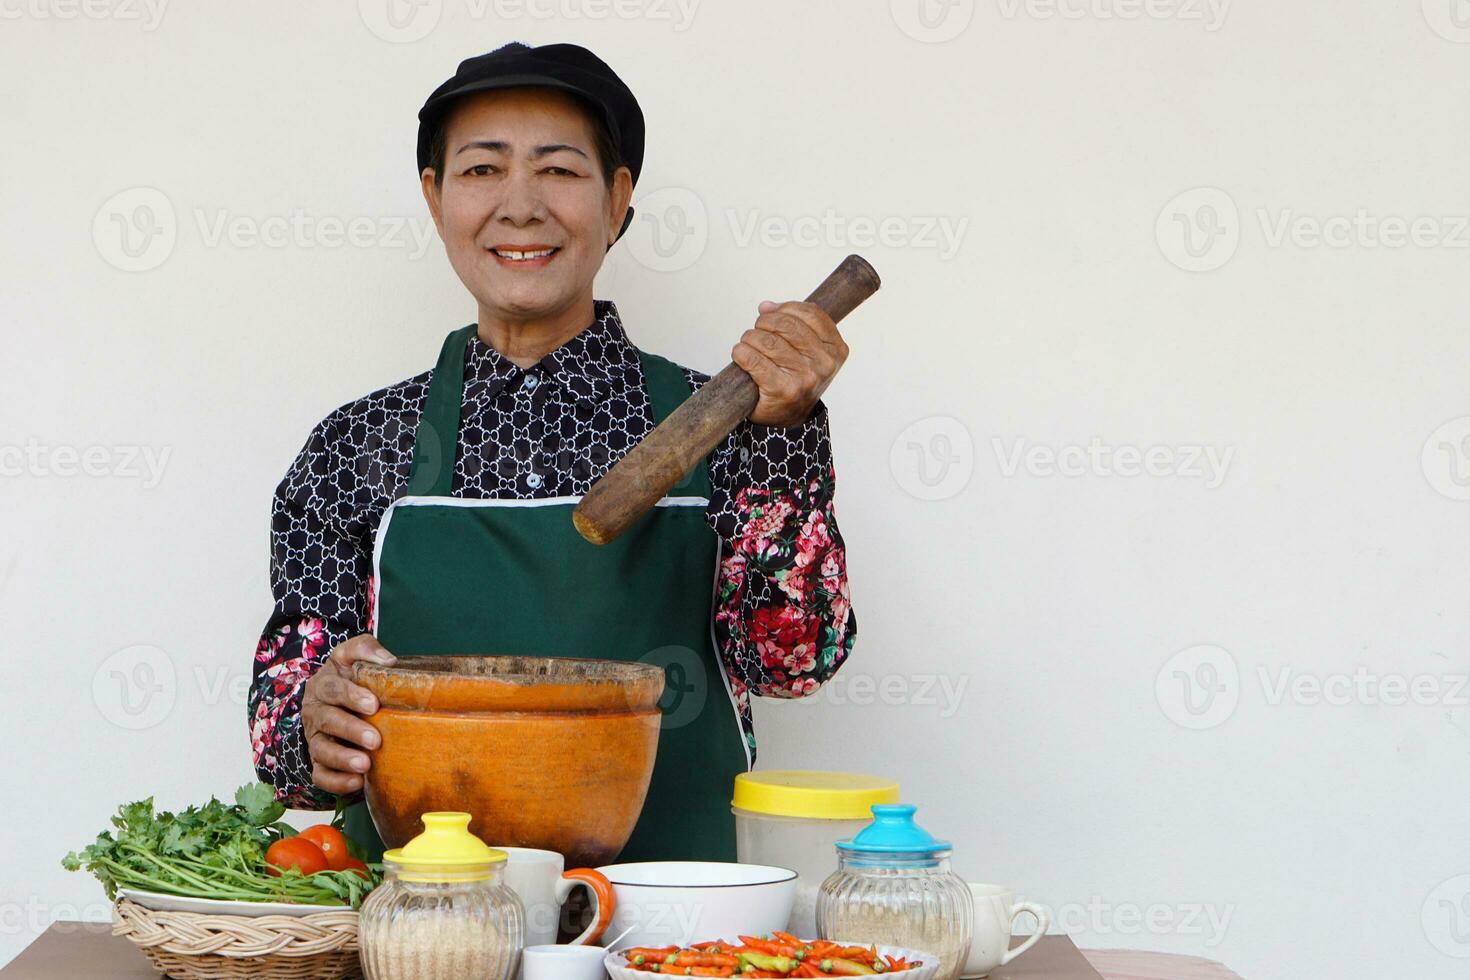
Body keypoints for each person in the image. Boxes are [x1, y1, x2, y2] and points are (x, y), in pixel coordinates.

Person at [248, 41, 857, 861]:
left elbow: (796, 661)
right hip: (424, 928)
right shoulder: (357, 446)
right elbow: (288, 727)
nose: (521, 205)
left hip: (669, 926)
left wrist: (785, 438)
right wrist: (311, 725)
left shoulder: (734, 424)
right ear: (435, 199)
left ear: (617, 199)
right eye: (482, 170)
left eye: (561, 171)